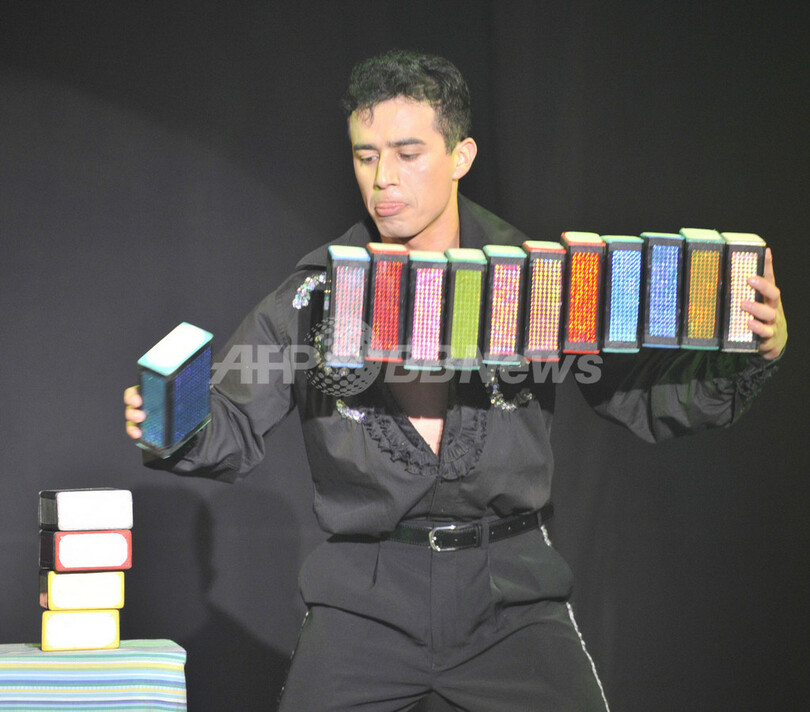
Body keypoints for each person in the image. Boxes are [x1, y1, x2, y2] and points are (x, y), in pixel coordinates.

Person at [124, 50, 787, 712]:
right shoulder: (315, 294)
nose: (383, 178)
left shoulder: (539, 281)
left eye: (408, 153)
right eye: (365, 155)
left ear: (461, 156)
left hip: (511, 595)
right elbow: (233, 417)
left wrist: (759, 349)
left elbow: (644, 396)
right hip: (364, 598)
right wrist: (169, 417)